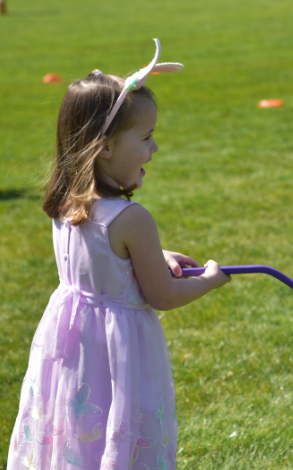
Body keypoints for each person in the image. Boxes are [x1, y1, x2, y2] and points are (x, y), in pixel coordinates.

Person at [6, 56, 230, 470]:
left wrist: (153, 256)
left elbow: (98, 260)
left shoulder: (65, 200)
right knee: (118, 429)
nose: (155, 147)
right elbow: (162, 295)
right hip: (118, 350)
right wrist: (212, 279)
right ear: (105, 147)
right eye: (146, 137)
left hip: (71, 344)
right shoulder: (132, 218)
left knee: (77, 430)